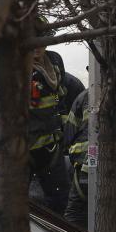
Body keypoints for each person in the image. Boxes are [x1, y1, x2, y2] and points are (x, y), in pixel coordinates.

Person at [61, 88, 116, 231]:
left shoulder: (82, 96)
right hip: (114, 173)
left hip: (82, 171)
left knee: (74, 221)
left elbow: (68, 136)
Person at [28, 41, 69, 214]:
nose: (37, 45)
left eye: (41, 40)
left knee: (60, 199)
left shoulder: (54, 61)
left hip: (52, 148)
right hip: (23, 150)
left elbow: (62, 101)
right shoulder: (12, 64)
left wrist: (65, 134)